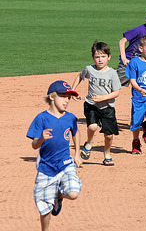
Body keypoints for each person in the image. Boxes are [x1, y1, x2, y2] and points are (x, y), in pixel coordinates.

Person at [26, 80, 82, 231]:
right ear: (52, 96)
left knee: (73, 193)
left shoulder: (70, 117)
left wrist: (77, 154)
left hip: (65, 164)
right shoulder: (41, 118)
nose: (67, 101)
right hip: (46, 167)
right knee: (45, 209)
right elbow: (34, 145)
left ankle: (59, 195)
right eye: (63, 96)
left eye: (69, 97)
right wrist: (41, 139)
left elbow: (75, 133)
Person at [72, 40, 121, 166]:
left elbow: (116, 92)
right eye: (97, 57)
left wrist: (103, 97)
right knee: (92, 126)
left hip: (107, 107)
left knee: (108, 135)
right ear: (93, 58)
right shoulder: (89, 69)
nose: (100, 60)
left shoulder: (112, 74)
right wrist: (73, 90)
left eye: (103, 56)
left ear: (109, 57)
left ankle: (107, 154)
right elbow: (79, 76)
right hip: (91, 104)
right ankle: (89, 143)